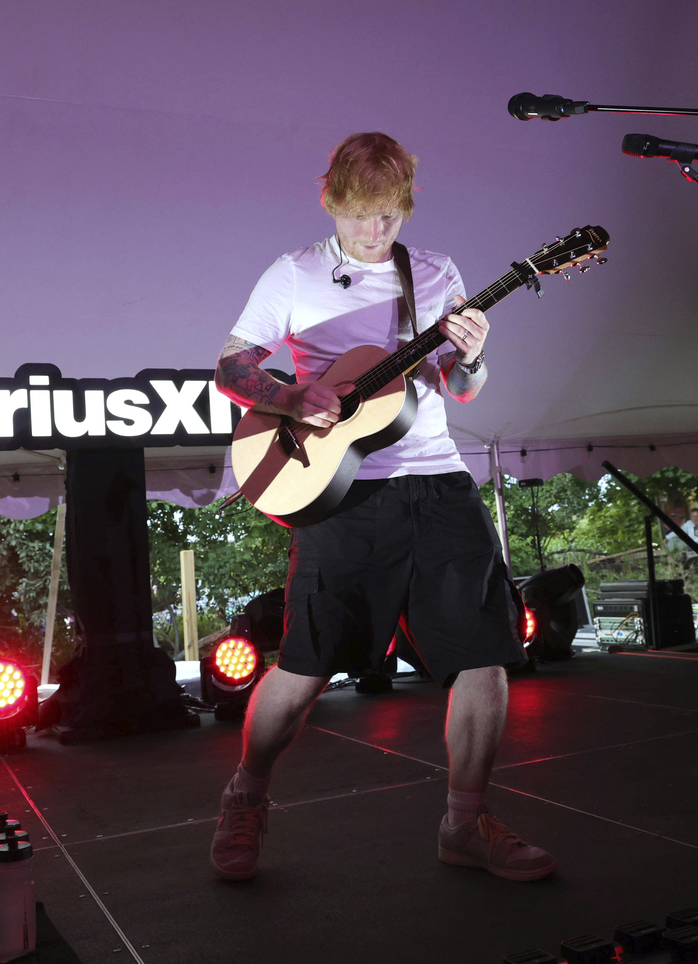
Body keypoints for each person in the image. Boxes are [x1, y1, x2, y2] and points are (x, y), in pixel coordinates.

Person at [207, 132, 555, 883]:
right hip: (341, 492)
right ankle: (247, 793)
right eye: (363, 215)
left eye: (391, 217)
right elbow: (231, 366)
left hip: (437, 479)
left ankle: (464, 822)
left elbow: (459, 388)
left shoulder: (434, 272)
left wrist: (471, 354)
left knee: (485, 655)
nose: (376, 232)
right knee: (302, 669)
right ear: (330, 199)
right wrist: (290, 394)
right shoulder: (292, 274)